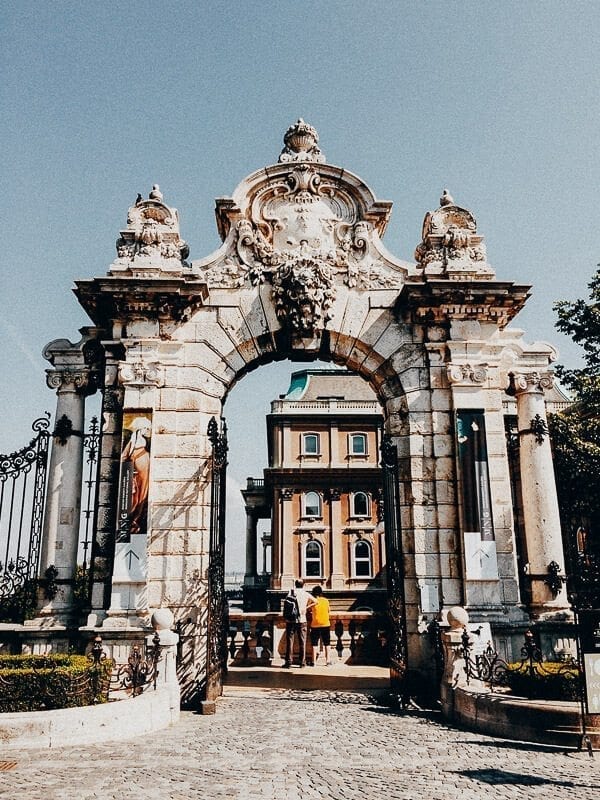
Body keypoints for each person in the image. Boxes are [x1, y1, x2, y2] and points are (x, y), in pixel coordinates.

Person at [283, 579, 316, 668]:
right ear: (303, 585)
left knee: (290, 641)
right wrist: (306, 607)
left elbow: (287, 603)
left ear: (295, 584)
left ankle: (288, 662)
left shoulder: (291, 592)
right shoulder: (305, 593)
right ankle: (302, 662)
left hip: (291, 620)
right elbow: (316, 601)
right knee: (302, 641)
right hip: (302, 619)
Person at [309, 585, 332, 666]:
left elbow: (309, 610)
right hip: (325, 623)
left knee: (314, 644)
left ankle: (313, 662)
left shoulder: (312, 601)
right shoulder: (326, 600)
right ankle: (328, 661)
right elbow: (329, 610)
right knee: (327, 643)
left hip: (315, 624)